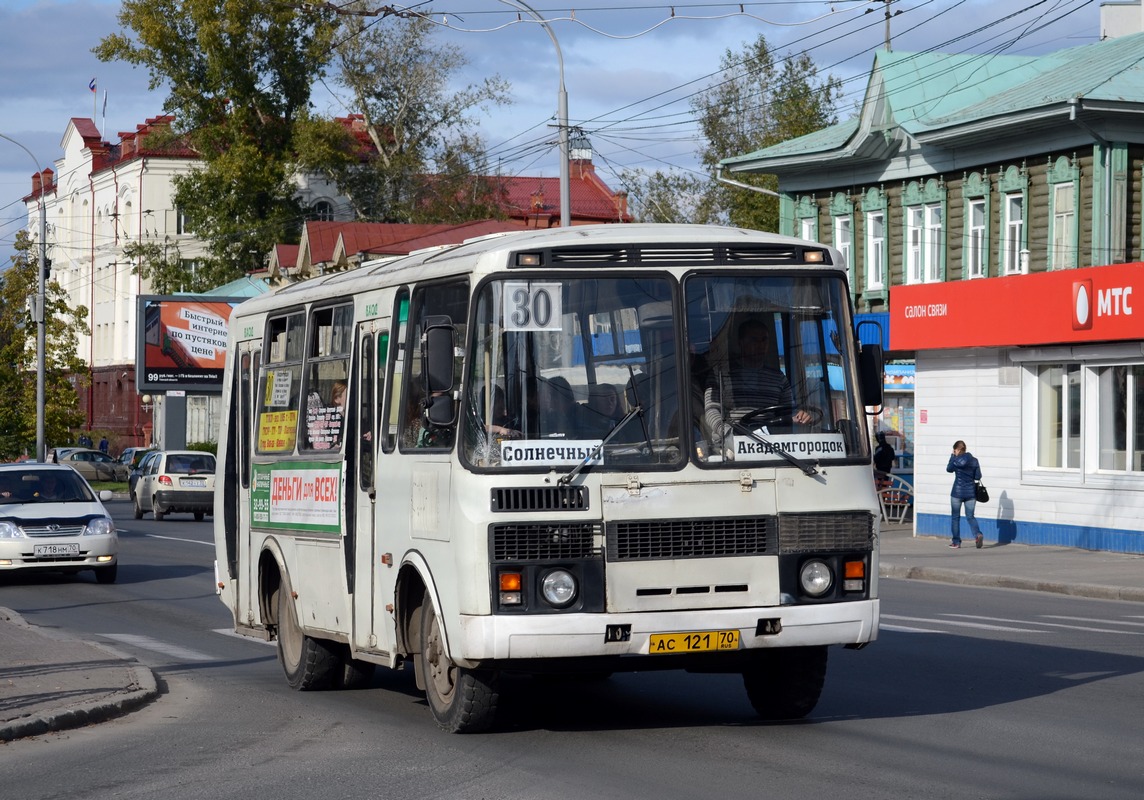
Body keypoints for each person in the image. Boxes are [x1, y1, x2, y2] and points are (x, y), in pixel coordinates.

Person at [704, 318, 811, 455]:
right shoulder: (720, 374)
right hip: (729, 448)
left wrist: (799, 416)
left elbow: (787, 412)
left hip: (770, 446)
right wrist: (728, 433)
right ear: (741, 343)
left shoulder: (778, 378)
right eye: (754, 340)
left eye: (764, 340)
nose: (760, 345)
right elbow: (712, 410)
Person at [947, 439, 984, 549]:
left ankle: (956, 542)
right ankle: (978, 534)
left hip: (957, 493)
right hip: (971, 493)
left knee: (955, 518)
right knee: (970, 517)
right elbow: (978, 477)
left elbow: (949, 469)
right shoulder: (974, 460)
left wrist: (952, 457)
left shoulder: (956, 460)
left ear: (957, 449)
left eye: (954, 450)